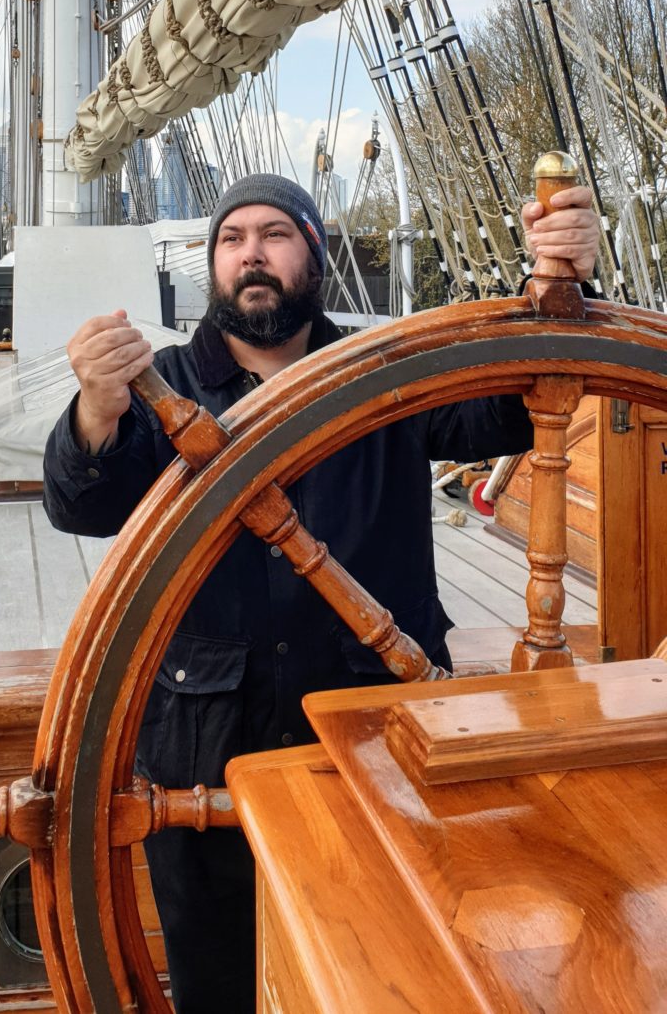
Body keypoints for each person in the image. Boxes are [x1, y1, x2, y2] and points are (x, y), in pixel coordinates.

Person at [44, 173, 600, 1014]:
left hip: (379, 736)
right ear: (213, 264)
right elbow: (79, 501)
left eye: (275, 234)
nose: (251, 254)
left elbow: (513, 403)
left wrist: (563, 283)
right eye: (233, 239)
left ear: (315, 251)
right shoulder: (158, 387)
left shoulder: (389, 374)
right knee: (220, 983)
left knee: (388, 970)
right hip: (204, 750)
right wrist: (95, 406)